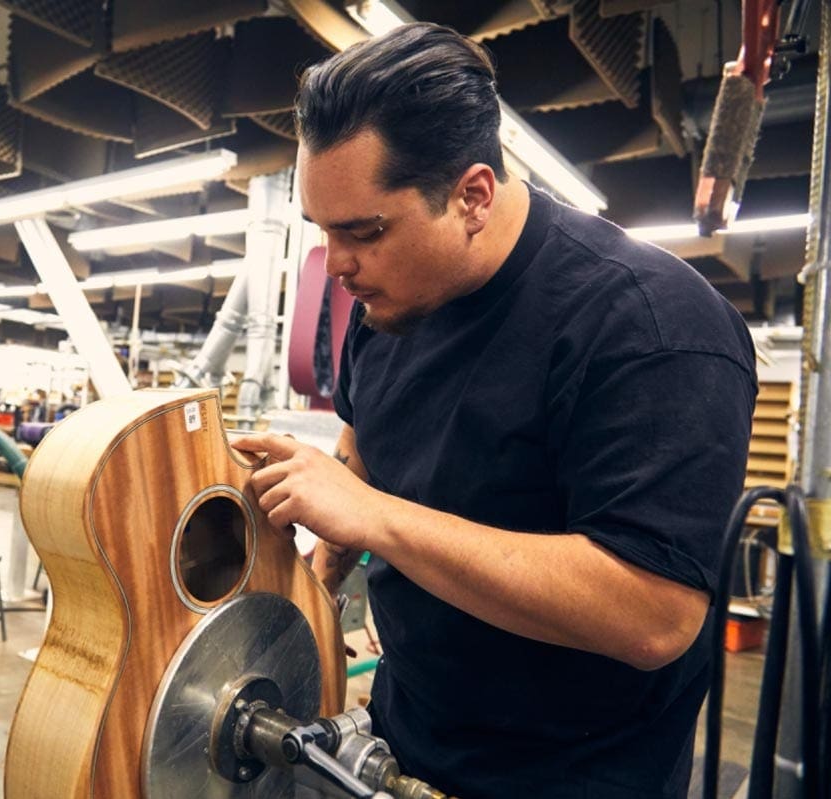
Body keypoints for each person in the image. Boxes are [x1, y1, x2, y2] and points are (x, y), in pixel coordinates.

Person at [231, 22, 756, 799]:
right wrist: (321, 569)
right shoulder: (390, 305)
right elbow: (368, 442)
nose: (337, 266)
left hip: (567, 777)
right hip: (401, 744)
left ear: (473, 194)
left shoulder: (651, 326)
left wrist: (374, 517)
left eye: (364, 231)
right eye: (323, 232)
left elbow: (654, 615)